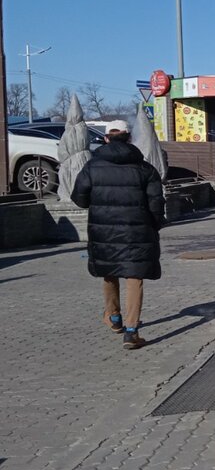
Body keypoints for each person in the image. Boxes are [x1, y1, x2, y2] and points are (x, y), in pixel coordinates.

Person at [71, 120, 165, 349]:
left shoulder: (92, 167)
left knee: (109, 272)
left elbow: (80, 199)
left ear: (106, 139)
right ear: (129, 137)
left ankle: (113, 317)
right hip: (137, 231)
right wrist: (155, 225)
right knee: (135, 277)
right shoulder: (144, 168)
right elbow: (156, 203)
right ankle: (131, 331)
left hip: (104, 231)